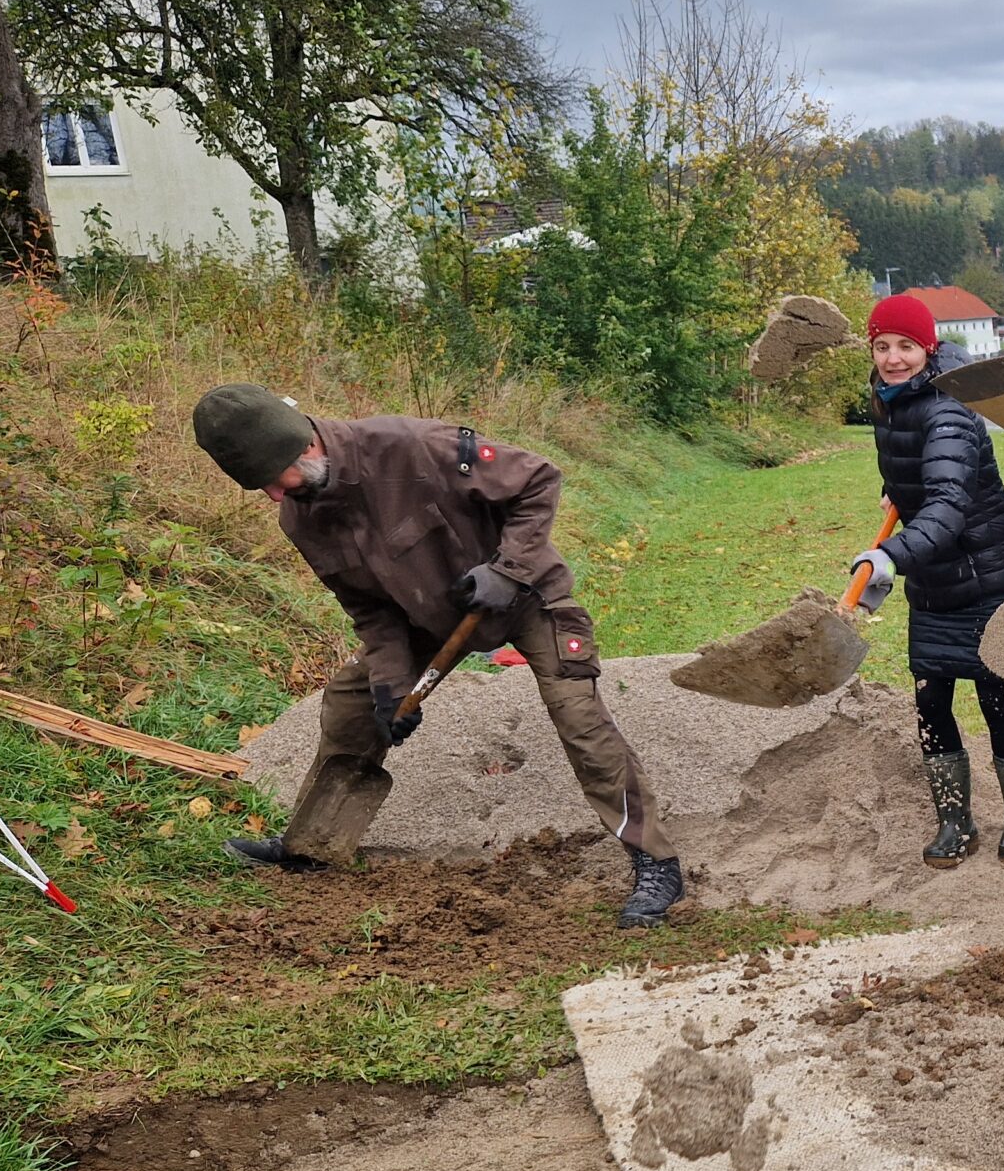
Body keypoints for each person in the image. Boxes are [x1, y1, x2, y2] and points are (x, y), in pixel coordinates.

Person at [189, 383, 685, 927]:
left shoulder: (413, 446)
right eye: (260, 488)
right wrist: (389, 682)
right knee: (353, 701)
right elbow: (370, 611)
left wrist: (507, 569)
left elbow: (539, 480)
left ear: (305, 447)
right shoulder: (301, 519)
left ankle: (654, 862)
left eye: (272, 480)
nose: (274, 499)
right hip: (426, 616)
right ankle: (313, 843)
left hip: (525, 597)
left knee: (579, 719)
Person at [852, 293, 1004, 870]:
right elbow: (918, 475)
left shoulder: (949, 411)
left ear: (928, 349)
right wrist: (899, 494)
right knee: (930, 699)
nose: (892, 358)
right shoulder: (891, 402)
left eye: (906, 346)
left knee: (993, 695)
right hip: (934, 571)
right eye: (882, 346)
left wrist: (888, 556)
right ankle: (955, 822)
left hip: (985, 570)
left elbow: (949, 505)